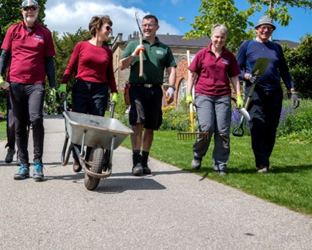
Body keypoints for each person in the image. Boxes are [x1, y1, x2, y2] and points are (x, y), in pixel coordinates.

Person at [0, 0, 56, 181]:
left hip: (36, 83)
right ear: (22, 11)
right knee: (19, 124)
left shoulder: (44, 33)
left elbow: (49, 61)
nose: (30, 11)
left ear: (38, 11)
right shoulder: (13, 30)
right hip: (15, 83)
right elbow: (4, 55)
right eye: (26, 8)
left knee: (36, 119)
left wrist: (52, 85)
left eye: (33, 8)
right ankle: (23, 165)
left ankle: (38, 163)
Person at [236, 15, 299, 174]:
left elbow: (284, 70)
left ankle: (265, 159)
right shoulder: (247, 45)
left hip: (275, 91)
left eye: (269, 28)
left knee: (271, 128)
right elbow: (236, 70)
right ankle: (262, 163)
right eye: (262, 27)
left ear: (271, 31)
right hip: (254, 91)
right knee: (257, 125)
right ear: (257, 29)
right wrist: (247, 76)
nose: (266, 30)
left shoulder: (276, 48)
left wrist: (292, 91)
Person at [58, 15, 119, 173]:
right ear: (97, 28)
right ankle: (77, 157)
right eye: (107, 28)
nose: (110, 31)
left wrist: (114, 92)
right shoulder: (81, 45)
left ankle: (93, 158)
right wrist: (64, 83)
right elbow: (71, 66)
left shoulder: (107, 51)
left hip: (100, 90)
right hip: (81, 88)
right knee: (78, 125)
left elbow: (110, 74)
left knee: (96, 126)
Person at [119, 14, 176, 176]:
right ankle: (136, 162)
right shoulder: (133, 45)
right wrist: (134, 54)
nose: (147, 28)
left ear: (157, 27)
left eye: (150, 25)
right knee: (137, 124)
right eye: (144, 25)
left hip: (155, 90)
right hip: (137, 89)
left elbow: (172, 68)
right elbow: (121, 65)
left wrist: (172, 87)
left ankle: (144, 162)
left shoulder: (164, 48)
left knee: (150, 126)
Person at [186, 24, 243, 175]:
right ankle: (198, 154)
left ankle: (220, 164)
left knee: (223, 131)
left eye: (222, 37)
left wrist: (238, 96)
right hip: (203, 94)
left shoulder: (229, 56)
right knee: (206, 128)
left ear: (226, 39)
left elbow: (235, 77)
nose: (219, 40)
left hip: (223, 96)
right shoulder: (202, 54)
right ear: (211, 37)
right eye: (217, 36)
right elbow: (192, 74)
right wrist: (188, 93)